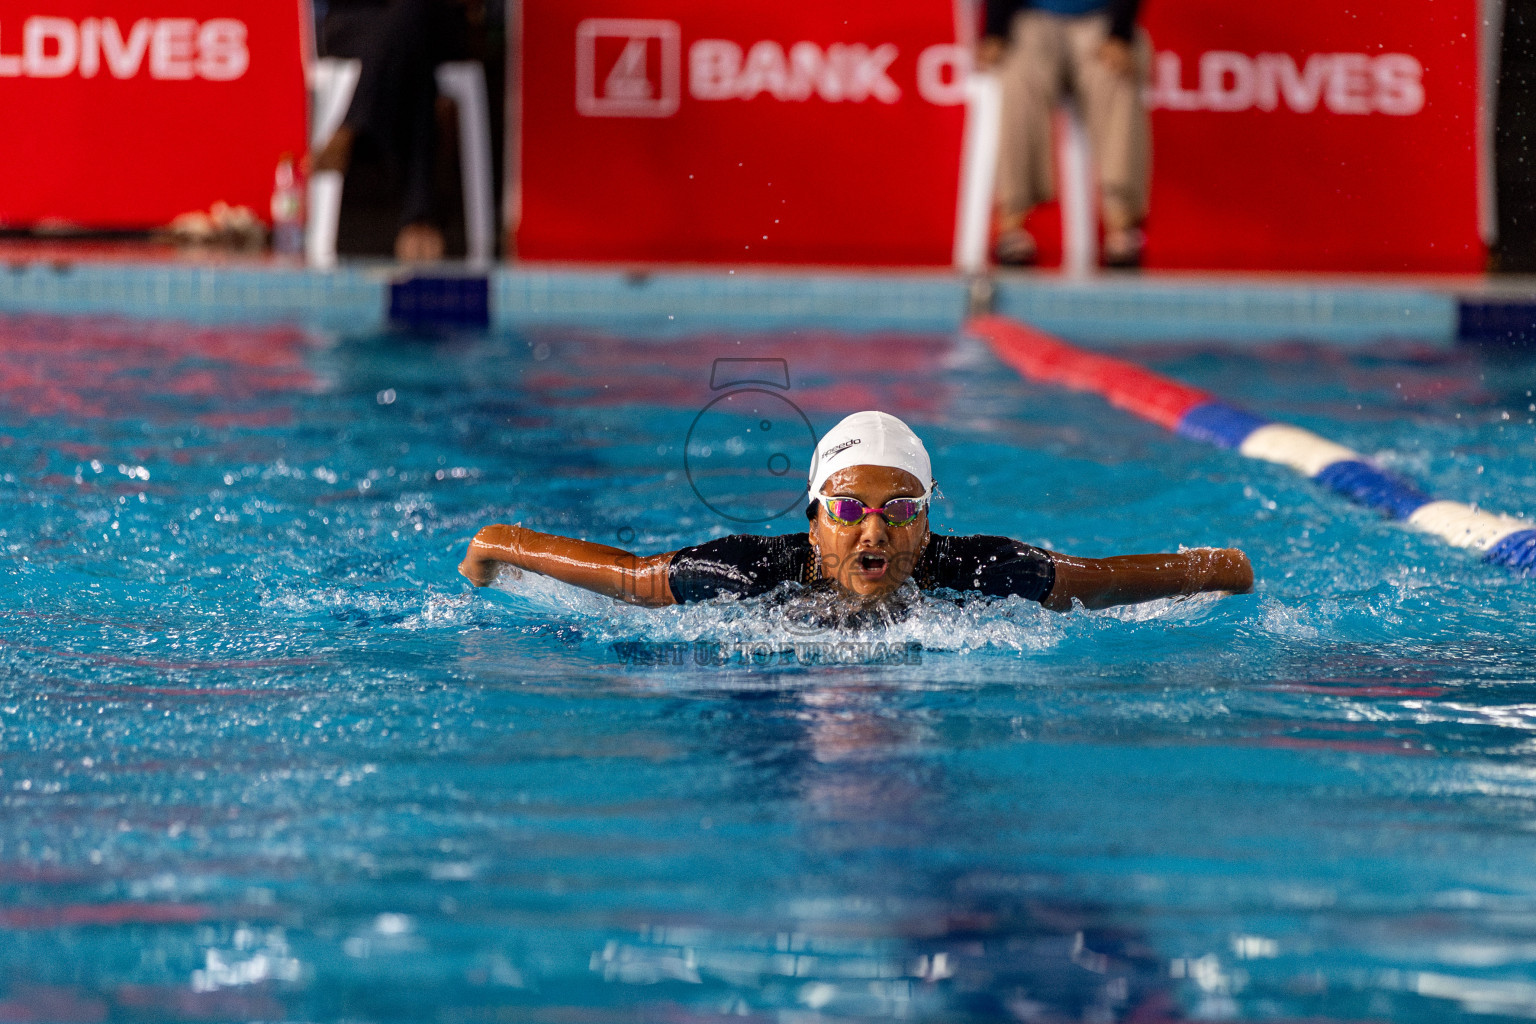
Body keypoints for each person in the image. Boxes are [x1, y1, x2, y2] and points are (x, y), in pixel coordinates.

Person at [458, 411, 1253, 615]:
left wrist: (1219, 568)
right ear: (814, 522)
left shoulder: (975, 570)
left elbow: (1099, 582)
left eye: (900, 509)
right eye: (848, 508)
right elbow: (632, 579)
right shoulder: (746, 574)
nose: (874, 529)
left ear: (927, 522)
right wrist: (505, 543)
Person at [979, 0, 1151, 268]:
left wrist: (1120, 32)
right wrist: (994, 31)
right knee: (1017, 76)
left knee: (1118, 74)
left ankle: (1121, 224)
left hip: (1102, 19)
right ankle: (1012, 224)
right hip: (1030, 18)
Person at [312, 0, 473, 261]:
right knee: (410, 42)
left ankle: (352, 128)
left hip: (433, 18)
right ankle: (419, 217)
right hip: (358, 20)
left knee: (411, 19)